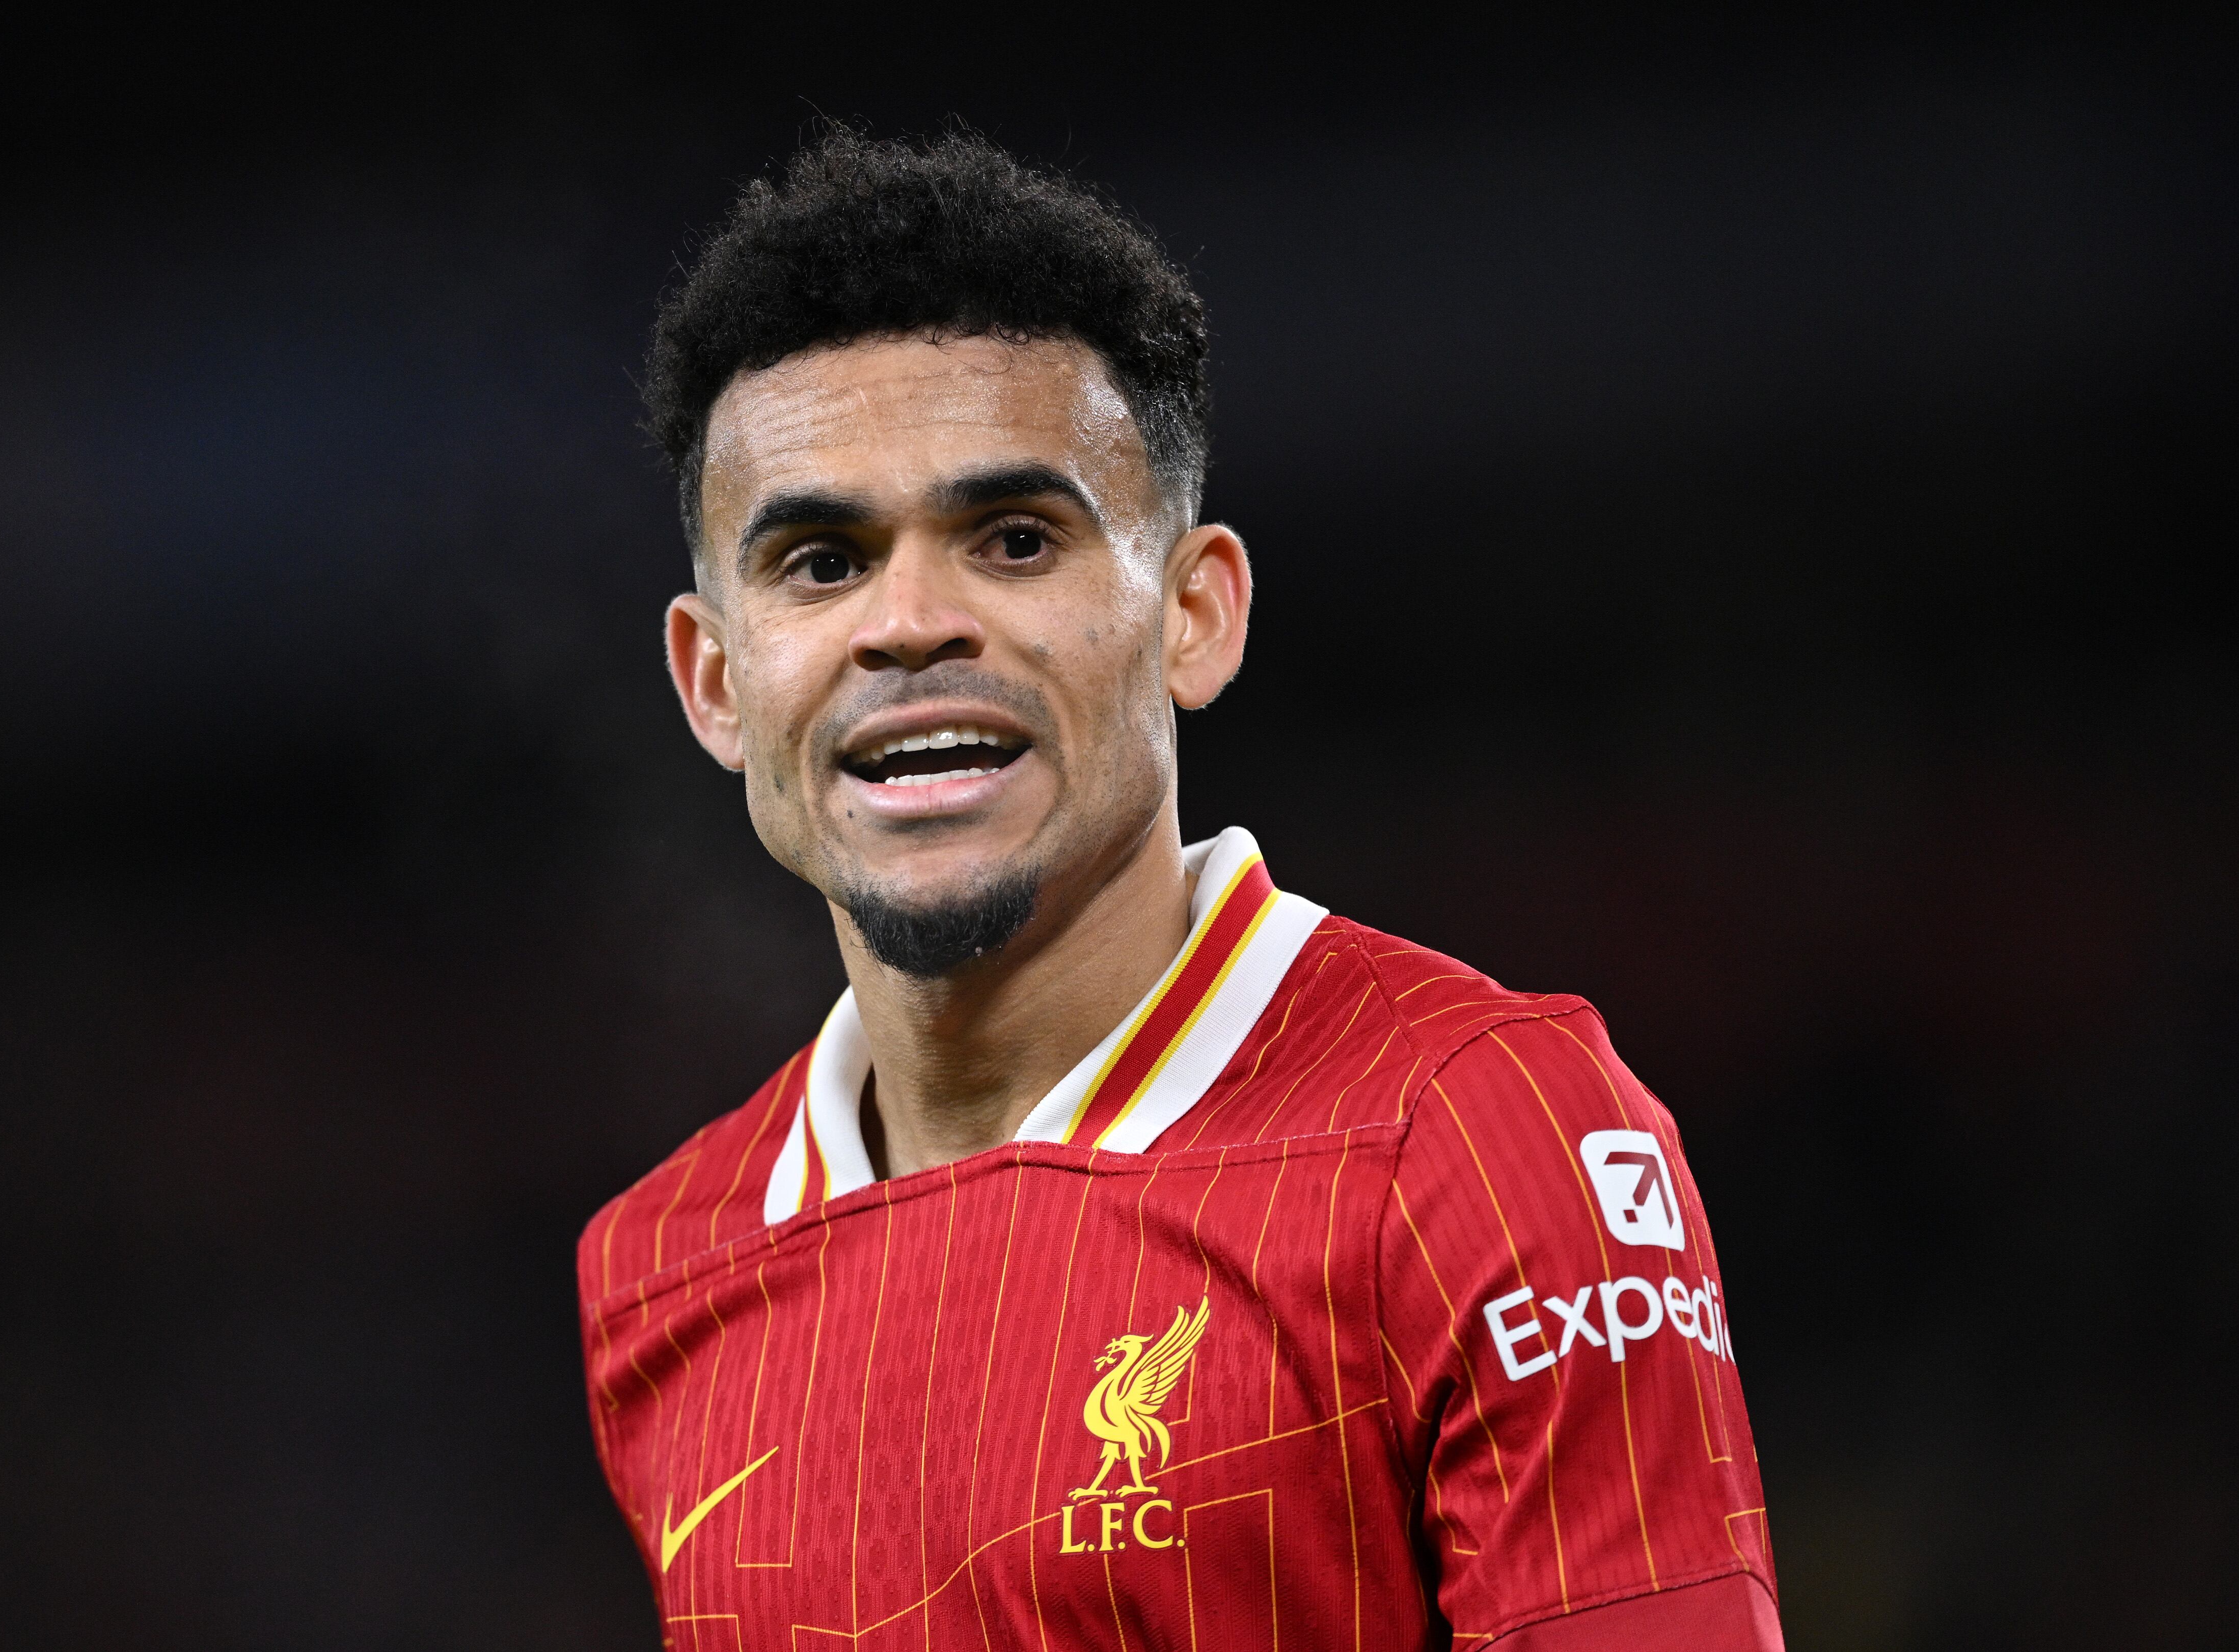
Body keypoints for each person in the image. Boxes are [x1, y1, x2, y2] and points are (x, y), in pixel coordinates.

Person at [580, 127, 1781, 1650]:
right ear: (715, 682)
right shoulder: (657, 1270)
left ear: (1194, 617)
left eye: (1014, 540)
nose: (908, 622)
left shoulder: (1486, 1130)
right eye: (819, 561)